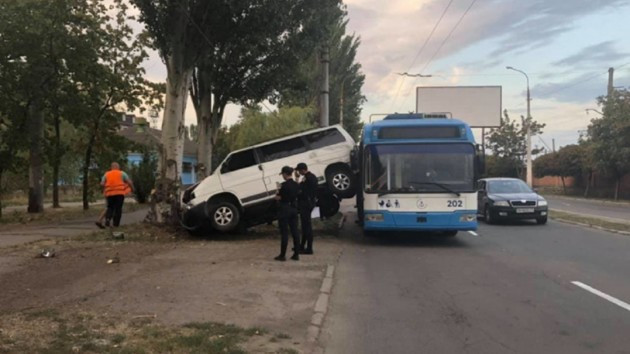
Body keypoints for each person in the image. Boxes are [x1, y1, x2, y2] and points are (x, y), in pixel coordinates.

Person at [96, 162, 134, 229]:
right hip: (119, 194)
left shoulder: (107, 174)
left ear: (111, 167)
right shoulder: (122, 173)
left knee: (110, 207)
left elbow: (102, 184)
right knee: (118, 209)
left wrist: (107, 188)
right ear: (118, 167)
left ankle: (107, 219)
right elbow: (129, 182)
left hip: (110, 194)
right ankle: (116, 224)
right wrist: (132, 188)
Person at [274, 166, 300, 261]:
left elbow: (278, 197)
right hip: (293, 208)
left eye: (283, 174)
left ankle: (282, 255)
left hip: (284, 209)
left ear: (285, 174)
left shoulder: (283, 185)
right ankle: (296, 254)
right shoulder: (296, 184)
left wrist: (277, 192)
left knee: (284, 233)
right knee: (295, 231)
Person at [295, 162, 318, 254]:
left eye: (299, 171)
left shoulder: (307, 178)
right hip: (309, 202)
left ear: (302, 170)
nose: (299, 173)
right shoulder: (311, 176)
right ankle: (302, 246)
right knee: (305, 226)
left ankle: (309, 248)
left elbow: (300, 189)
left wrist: (297, 179)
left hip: (306, 204)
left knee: (307, 226)